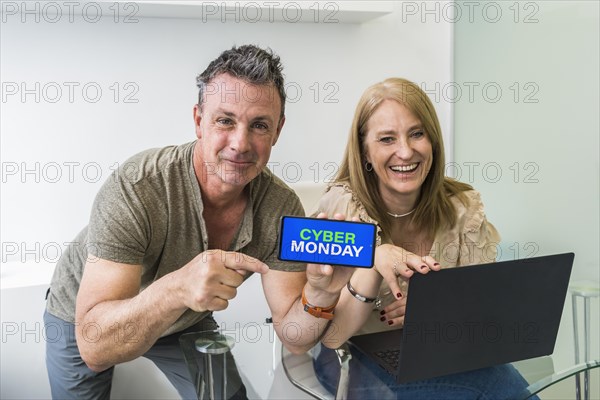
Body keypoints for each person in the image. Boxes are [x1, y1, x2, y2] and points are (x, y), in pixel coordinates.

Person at [43, 44, 352, 400]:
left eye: (259, 125)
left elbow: (295, 339)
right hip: (87, 317)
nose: (241, 143)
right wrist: (177, 287)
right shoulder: (138, 185)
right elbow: (95, 348)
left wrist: (322, 293)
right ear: (198, 121)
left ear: (277, 131)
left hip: (185, 319)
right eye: (225, 120)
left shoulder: (280, 209)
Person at [312, 77, 538, 399]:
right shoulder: (342, 208)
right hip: (351, 357)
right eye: (387, 139)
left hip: (438, 350)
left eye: (416, 133)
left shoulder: (462, 207)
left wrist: (439, 311)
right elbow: (332, 335)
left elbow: (482, 309)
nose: (405, 152)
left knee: (493, 375)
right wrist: (375, 264)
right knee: (490, 385)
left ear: (432, 140)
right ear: (365, 151)